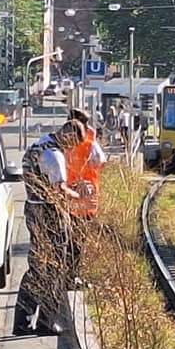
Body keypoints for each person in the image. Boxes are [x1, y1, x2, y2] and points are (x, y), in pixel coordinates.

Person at [14, 118, 86, 336]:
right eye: (72, 143)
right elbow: (58, 189)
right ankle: (46, 321)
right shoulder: (54, 155)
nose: (71, 148)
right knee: (54, 266)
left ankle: (23, 321)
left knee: (37, 267)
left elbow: (43, 181)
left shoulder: (39, 145)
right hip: (49, 213)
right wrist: (79, 194)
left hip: (33, 208)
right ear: (69, 135)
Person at [66, 108, 108, 283]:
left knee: (66, 239)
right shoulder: (90, 143)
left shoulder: (62, 141)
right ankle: (73, 274)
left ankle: (67, 273)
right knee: (78, 240)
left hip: (66, 195)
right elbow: (101, 161)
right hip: (86, 197)